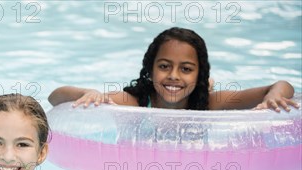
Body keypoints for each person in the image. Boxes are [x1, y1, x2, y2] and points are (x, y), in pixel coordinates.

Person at [48, 27, 298, 112]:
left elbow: (281, 85)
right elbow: (55, 96)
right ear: (150, 68)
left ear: (200, 74)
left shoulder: (209, 104)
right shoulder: (134, 102)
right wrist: (90, 92)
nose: (174, 76)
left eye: (186, 69)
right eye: (164, 66)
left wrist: (274, 96)